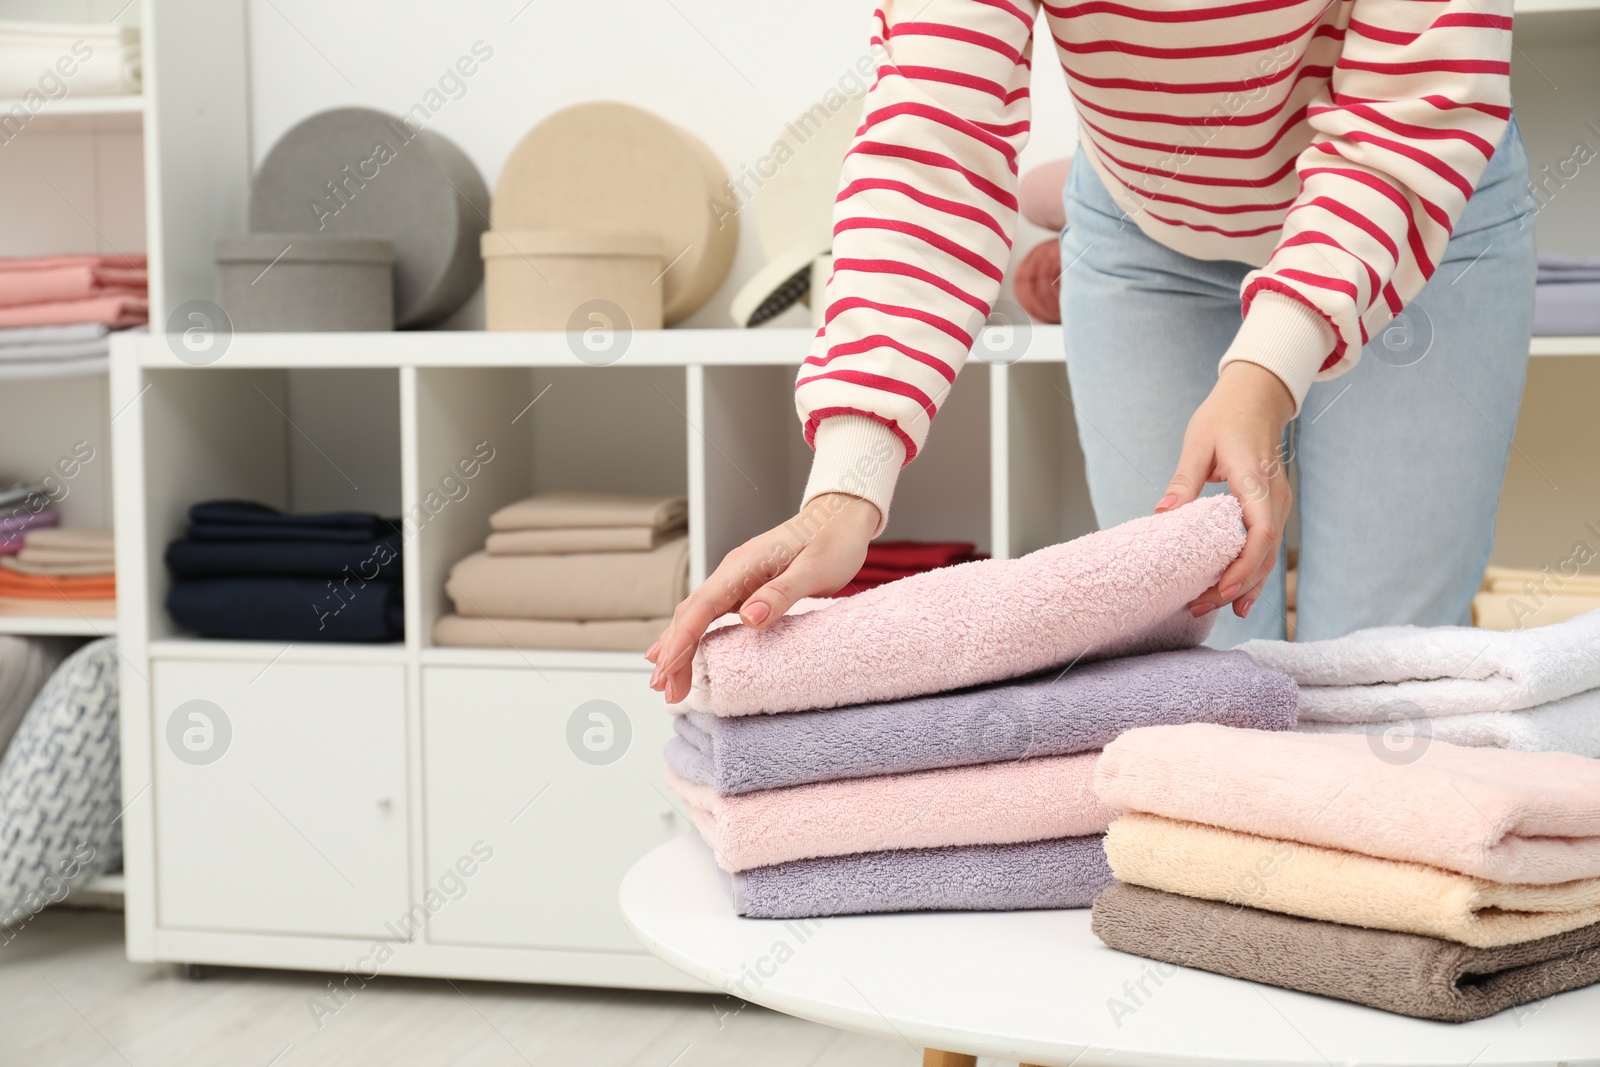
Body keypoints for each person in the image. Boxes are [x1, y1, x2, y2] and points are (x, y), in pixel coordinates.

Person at [649, 0, 1534, 704]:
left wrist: (1267, 369)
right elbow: (935, 139)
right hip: (1145, 227)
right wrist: (845, 485)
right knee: (1189, 669)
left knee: (1383, 675)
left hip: (1417, 192)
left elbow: (1408, 104)